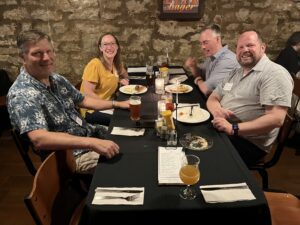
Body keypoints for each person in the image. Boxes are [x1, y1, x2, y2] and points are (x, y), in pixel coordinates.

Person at [7, 29, 129, 174]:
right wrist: (92, 143)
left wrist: (117, 104)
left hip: (89, 134)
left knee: (134, 141)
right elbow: (39, 138)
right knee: (128, 164)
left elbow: (83, 99)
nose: (46, 58)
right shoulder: (22, 93)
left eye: (49, 51)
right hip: (72, 155)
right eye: (37, 53)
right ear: (22, 57)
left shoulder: (56, 79)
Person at [207, 30, 293, 166]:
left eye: (250, 45)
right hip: (224, 127)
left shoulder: (274, 74)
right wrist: (217, 111)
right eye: (240, 47)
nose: (244, 50)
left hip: (248, 142)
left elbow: (276, 119)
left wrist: (233, 128)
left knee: (202, 156)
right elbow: (213, 97)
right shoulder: (237, 71)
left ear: (263, 47)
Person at [80, 33, 129, 126]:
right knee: (124, 120)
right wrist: (110, 105)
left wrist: (121, 79)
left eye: (112, 44)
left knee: (130, 112)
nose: (109, 47)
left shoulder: (115, 63)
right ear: (100, 48)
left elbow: (125, 75)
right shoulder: (94, 65)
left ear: (117, 47)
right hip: (92, 110)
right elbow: (88, 93)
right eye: (105, 44)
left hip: (109, 105)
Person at [184, 24, 239, 96]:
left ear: (218, 39)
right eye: (201, 43)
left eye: (205, 42)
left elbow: (206, 89)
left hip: (222, 105)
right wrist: (193, 66)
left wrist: (197, 80)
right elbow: (201, 74)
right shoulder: (213, 56)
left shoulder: (228, 60)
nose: (202, 47)